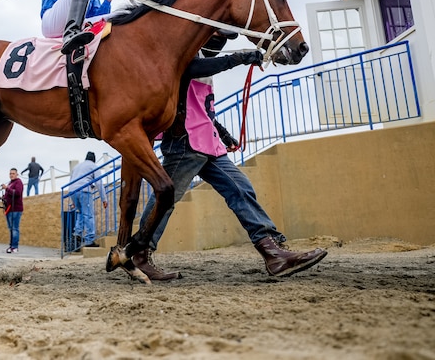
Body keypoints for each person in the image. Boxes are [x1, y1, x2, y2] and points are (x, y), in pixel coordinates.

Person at [133, 32, 328, 281]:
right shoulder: (182, 50)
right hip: (185, 142)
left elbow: (201, 106)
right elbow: (191, 68)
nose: (218, 38)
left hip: (208, 141)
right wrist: (240, 58)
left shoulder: (203, 54)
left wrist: (223, 133)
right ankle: (138, 254)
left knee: (241, 189)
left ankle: (273, 253)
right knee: (165, 198)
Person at [68, 151, 108, 248]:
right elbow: (99, 183)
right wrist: (104, 199)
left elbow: (71, 181)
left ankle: (77, 233)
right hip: (84, 191)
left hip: (72, 191)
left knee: (81, 213)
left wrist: (72, 201)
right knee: (88, 214)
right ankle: (89, 240)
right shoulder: (93, 166)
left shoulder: (77, 167)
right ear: (94, 159)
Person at [1, 168, 24, 253]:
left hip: (16, 209)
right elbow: (10, 194)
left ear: (17, 174)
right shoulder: (11, 183)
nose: (11, 175)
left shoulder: (18, 182)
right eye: (10, 173)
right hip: (9, 209)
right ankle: (11, 246)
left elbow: (17, 193)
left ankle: (15, 247)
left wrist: (6, 188)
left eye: (13, 173)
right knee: (11, 229)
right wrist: (4, 198)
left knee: (15, 228)